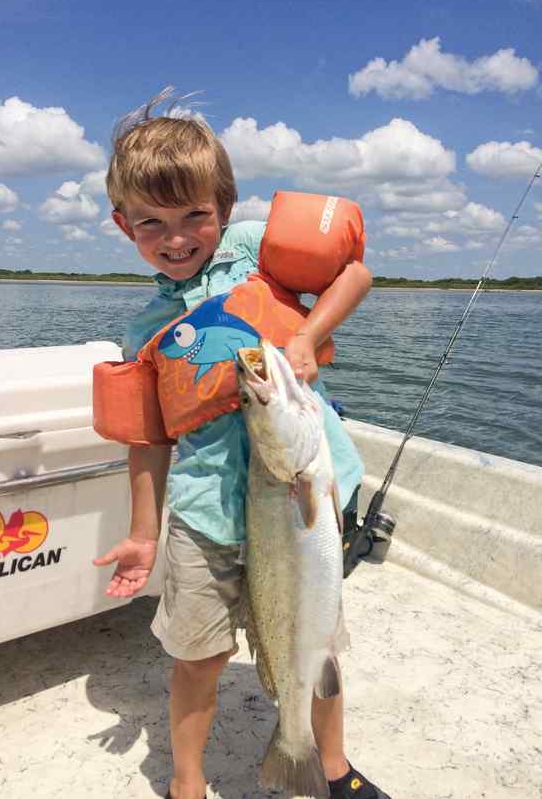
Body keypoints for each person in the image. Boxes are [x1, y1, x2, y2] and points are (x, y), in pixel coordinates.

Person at [93, 90, 390, 799]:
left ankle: (330, 764)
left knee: (315, 641)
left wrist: (308, 339)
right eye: (152, 223)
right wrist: (143, 531)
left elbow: (356, 271)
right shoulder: (145, 332)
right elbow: (147, 439)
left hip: (300, 498)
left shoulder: (257, 251)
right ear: (123, 224)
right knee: (199, 656)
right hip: (206, 517)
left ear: (224, 206)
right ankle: (187, 783)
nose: (177, 236)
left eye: (195, 214)